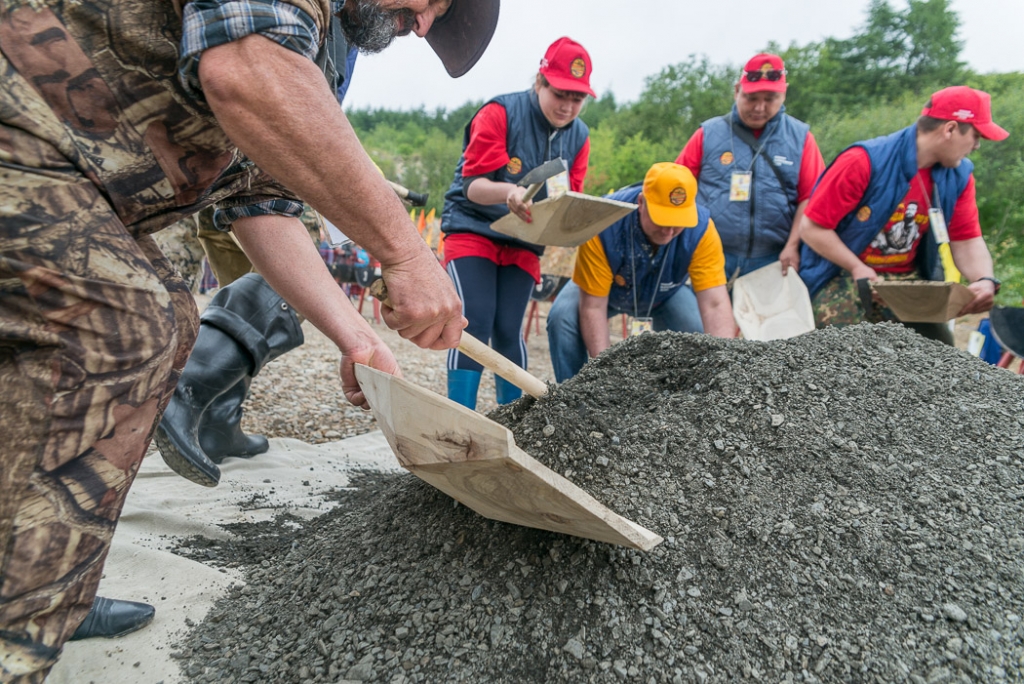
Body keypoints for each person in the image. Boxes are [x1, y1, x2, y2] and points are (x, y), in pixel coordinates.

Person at [0, 1, 498, 680]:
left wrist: (354, 337)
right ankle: (19, 620)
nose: (421, 23)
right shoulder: (276, 32)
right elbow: (243, 68)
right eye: (434, 4)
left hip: (101, 181)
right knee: (126, 323)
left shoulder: (320, 46)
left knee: (152, 321)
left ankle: (48, 570)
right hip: (24, 116)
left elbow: (261, 204)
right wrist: (407, 253)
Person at [439, 36, 593, 409]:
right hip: (475, 226)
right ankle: (461, 417)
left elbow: (566, 198)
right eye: (560, 93)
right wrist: (509, 193)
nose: (568, 106)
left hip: (525, 238)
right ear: (540, 82)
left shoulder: (581, 136)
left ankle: (516, 422)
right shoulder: (500, 112)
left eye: (578, 98)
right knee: (474, 321)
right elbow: (473, 187)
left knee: (509, 328)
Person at [798, 86, 1007, 344]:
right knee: (847, 352)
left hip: (906, 280)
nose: (976, 145)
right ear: (950, 129)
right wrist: (856, 267)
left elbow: (966, 239)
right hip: (842, 273)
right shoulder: (863, 161)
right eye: (976, 136)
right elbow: (811, 228)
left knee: (942, 354)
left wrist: (984, 280)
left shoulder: (959, 174)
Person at [546, 163, 736, 383]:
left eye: (678, 223)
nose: (669, 231)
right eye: (662, 220)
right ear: (641, 203)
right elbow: (593, 306)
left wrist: (725, 363)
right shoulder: (603, 222)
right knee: (562, 317)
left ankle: (683, 402)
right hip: (604, 291)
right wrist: (607, 379)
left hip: (665, 293)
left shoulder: (702, 230)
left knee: (696, 331)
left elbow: (715, 303)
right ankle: (572, 397)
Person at [675, 53, 825, 280]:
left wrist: (793, 246)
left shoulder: (802, 138)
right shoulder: (707, 134)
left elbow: (811, 199)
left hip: (773, 259)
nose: (759, 107)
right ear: (737, 91)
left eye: (770, 98)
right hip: (709, 253)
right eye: (751, 98)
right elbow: (677, 188)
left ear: (783, 95)